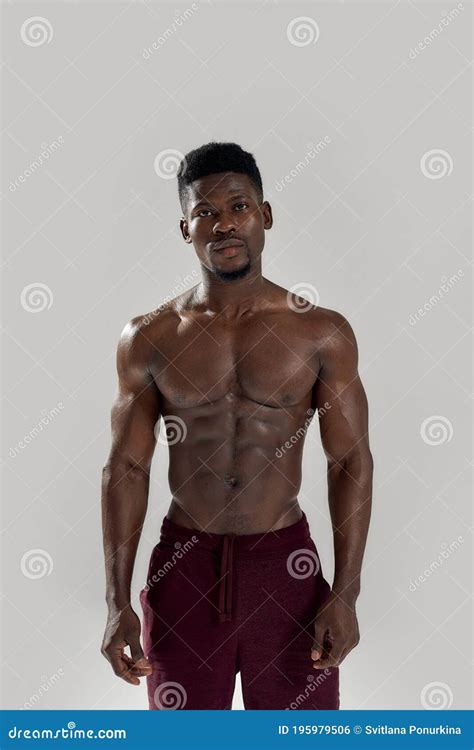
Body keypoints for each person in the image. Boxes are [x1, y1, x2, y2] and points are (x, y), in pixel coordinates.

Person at [100, 142, 373, 710]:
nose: (223, 223)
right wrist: (116, 601)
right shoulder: (150, 338)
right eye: (205, 212)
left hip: (287, 569)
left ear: (265, 215)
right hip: (185, 568)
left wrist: (346, 594)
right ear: (185, 228)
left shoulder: (320, 333)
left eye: (239, 206)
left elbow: (349, 460)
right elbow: (126, 466)